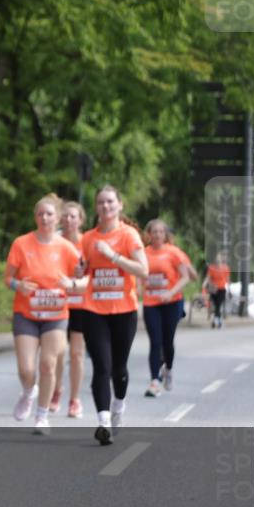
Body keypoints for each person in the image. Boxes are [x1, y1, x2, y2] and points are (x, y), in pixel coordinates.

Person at [76, 185, 148, 446]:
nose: (105, 207)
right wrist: (78, 271)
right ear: (96, 208)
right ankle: (103, 421)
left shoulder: (129, 235)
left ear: (119, 205)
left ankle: (118, 405)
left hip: (123, 311)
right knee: (101, 366)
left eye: (109, 202)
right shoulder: (88, 238)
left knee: (119, 368)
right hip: (94, 309)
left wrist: (114, 256)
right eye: (101, 203)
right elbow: (83, 271)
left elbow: (143, 270)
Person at [5, 194, 81, 434]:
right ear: (35, 217)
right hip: (26, 313)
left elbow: (80, 280)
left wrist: (71, 283)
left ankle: (42, 415)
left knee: (48, 365)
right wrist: (19, 286)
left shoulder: (67, 248)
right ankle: (29, 392)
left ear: (57, 218)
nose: (45, 218)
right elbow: (8, 278)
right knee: (26, 369)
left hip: (56, 316)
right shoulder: (21, 243)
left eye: (49, 214)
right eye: (40, 214)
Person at [140, 220, 191, 395]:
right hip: (151, 302)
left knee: (167, 341)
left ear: (165, 234)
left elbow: (185, 277)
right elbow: (139, 275)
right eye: (154, 231)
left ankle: (168, 369)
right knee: (155, 342)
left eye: (161, 232)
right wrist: (140, 288)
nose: (157, 235)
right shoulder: (143, 253)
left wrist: (170, 292)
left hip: (171, 302)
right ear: (149, 234)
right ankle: (154, 380)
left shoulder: (173, 252)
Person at [58, 201, 87, 418]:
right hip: (57, 304)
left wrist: (80, 276)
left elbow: (94, 273)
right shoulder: (54, 241)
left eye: (73, 217)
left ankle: (74, 399)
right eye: (65, 216)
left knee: (76, 354)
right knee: (58, 352)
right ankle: (56, 390)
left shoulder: (88, 242)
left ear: (81, 220)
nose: (69, 220)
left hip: (81, 303)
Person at [205, 251, 231, 328]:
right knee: (216, 305)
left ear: (221, 261)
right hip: (214, 289)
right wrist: (206, 284)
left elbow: (228, 279)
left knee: (218, 305)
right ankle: (218, 320)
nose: (217, 262)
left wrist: (229, 289)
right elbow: (208, 278)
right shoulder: (211, 268)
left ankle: (215, 320)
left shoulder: (226, 268)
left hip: (222, 289)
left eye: (219, 260)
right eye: (216, 260)